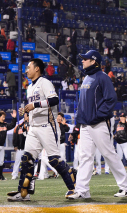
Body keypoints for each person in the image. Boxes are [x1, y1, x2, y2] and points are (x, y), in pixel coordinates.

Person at [67, 51, 127, 199]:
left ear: (93, 61)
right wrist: (77, 126)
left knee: (108, 153)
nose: (82, 61)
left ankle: (126, 186)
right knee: (85, 156)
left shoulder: (103, 77)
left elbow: (111, 99)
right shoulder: (86, 78)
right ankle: (82, 190)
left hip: (99, 123)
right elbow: (81, 104)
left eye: (85, 59)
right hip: (86, 124)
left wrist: (97, 116)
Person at [7, 58, 76, 201]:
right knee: (26, 158)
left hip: (47, 125)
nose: (26, 70)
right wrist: (25, 110)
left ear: (37, 69)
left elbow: (54, 100)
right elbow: (35, 107)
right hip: (34, 127)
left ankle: (74, 187)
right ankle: (23, 192)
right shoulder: (29, 87)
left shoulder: (45, 82)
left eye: (28, 67)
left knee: (54, 160)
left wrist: (35, 105)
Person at [12, 112, 29, 180]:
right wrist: (15, 145)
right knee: (17, 161)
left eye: (26, 115)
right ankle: (14, 174)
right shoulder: (19, 126)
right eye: (25, 115)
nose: (25, 116)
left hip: (29, 147)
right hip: (21, 147)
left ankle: (28, 174)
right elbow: (15, 136)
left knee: (29, 161)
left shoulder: (32, 125)